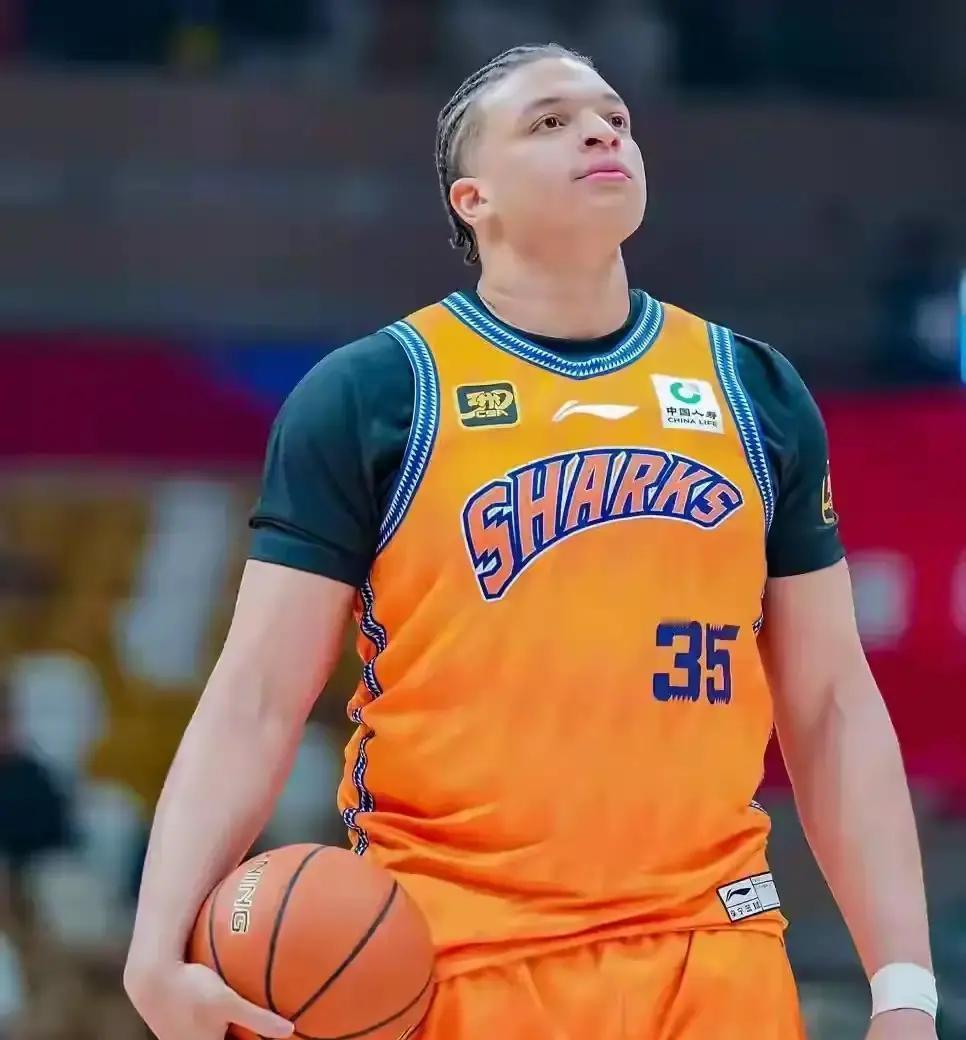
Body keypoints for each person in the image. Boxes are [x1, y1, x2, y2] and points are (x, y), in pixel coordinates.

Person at [123, 44, 938, 1040]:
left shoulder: (753, 389)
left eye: (614, 118)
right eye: (550, 121)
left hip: (711, 954)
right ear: (474, 199)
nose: (600, 131)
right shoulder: (375, 393)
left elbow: (832, 703)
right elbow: (256, 695)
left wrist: (905, 986)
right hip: (460, 958)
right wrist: (155, 944)